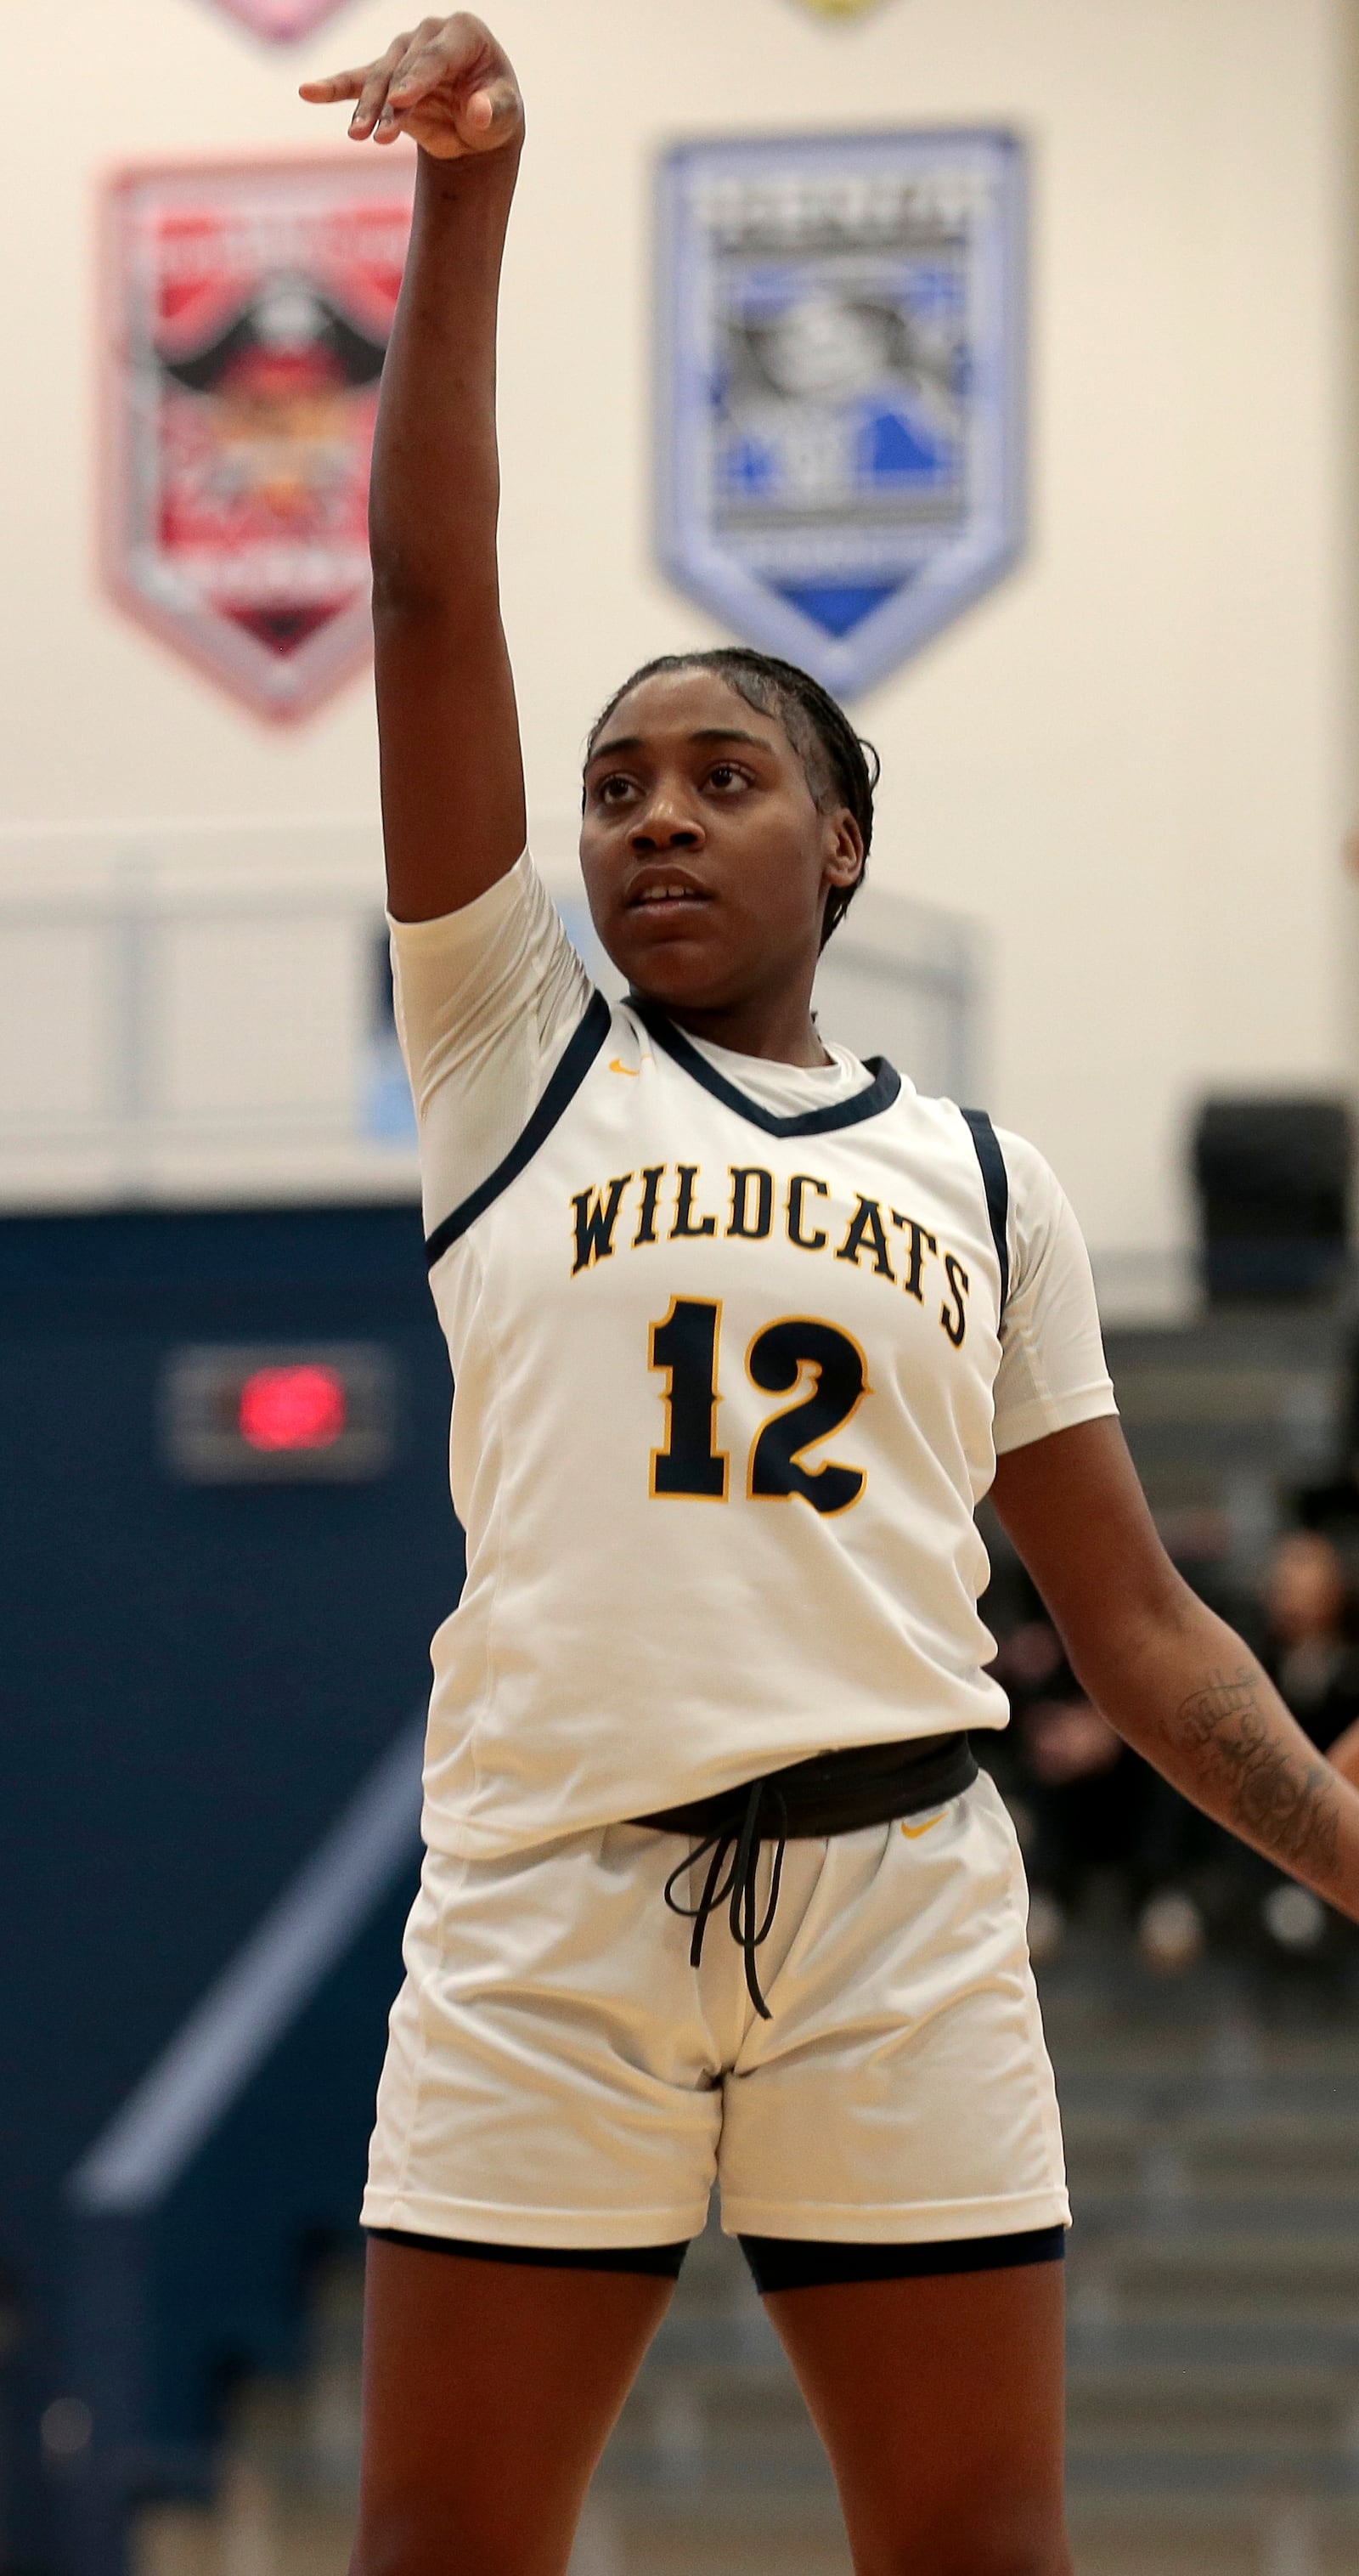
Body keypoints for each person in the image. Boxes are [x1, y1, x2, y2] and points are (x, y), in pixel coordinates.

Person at [302, 22, 1359, 2575]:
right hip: (553, 1903)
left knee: (980, 2552)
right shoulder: (514, 1057)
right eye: (616, 784)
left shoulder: (989, 1182)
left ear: (844, 844)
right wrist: (477, 191)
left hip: (898, 1915)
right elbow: (433, 591)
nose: (651, 810)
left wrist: (1345, 1843)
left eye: (721, 775)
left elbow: (1139, 1629)